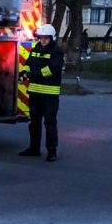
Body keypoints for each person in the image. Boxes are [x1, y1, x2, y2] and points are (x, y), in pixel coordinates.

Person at [19, 23, 64, 162]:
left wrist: (31, 75)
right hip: (34, 93)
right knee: (34, 122)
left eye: (46, 38)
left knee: (49, 123)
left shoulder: (56, 51)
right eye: (41, 38)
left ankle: (52, 151)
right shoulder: (36, 48)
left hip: (49, 94)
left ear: (52, 38)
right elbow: (28, 62)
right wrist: (24, 72)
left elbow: (50, 70)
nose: (43, 40)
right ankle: (34, 148)